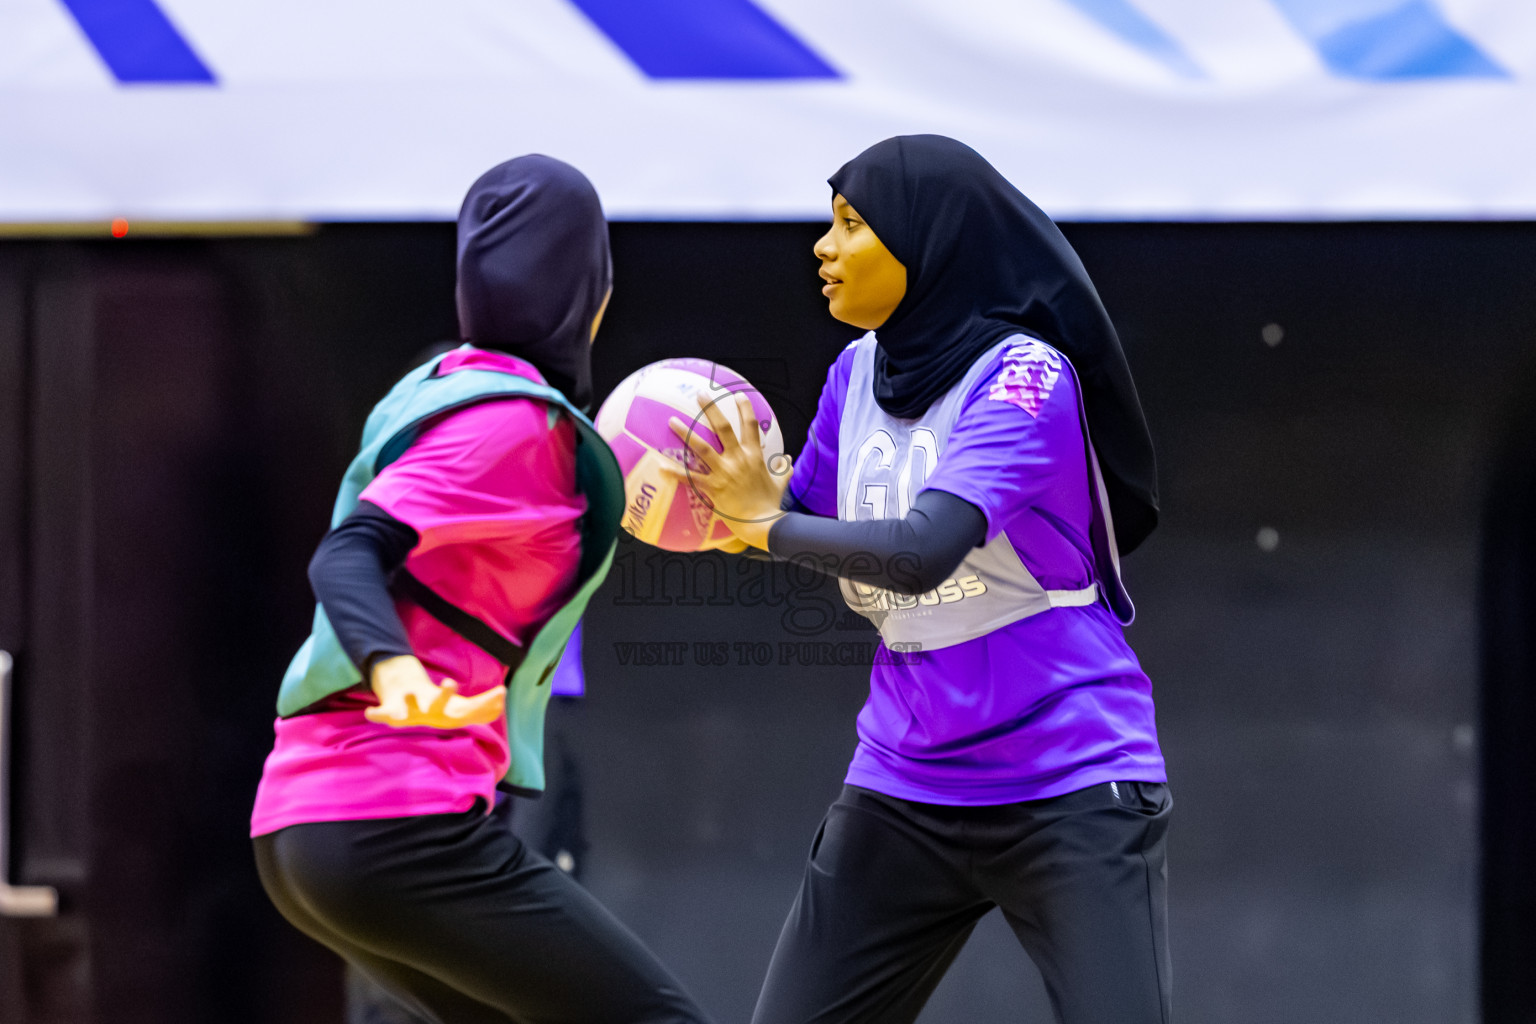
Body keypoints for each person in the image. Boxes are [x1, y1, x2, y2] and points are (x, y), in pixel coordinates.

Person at [671, 134, 1170, 1024]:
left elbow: (918, 551)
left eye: (852, 224)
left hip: (1067, 778)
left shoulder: (1024, 379)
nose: (823, 248)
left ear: (928, 243)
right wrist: (702, 505)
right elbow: (793, 523)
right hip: (906, 781)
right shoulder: (854, 373)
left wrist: (764, 522)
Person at [251, 155, 713, 1024]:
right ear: (590, 291)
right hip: (392, 821)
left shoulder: (441, 389)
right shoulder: (507, 424)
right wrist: (394, 671)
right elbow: (350, 554)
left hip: (307, 826)